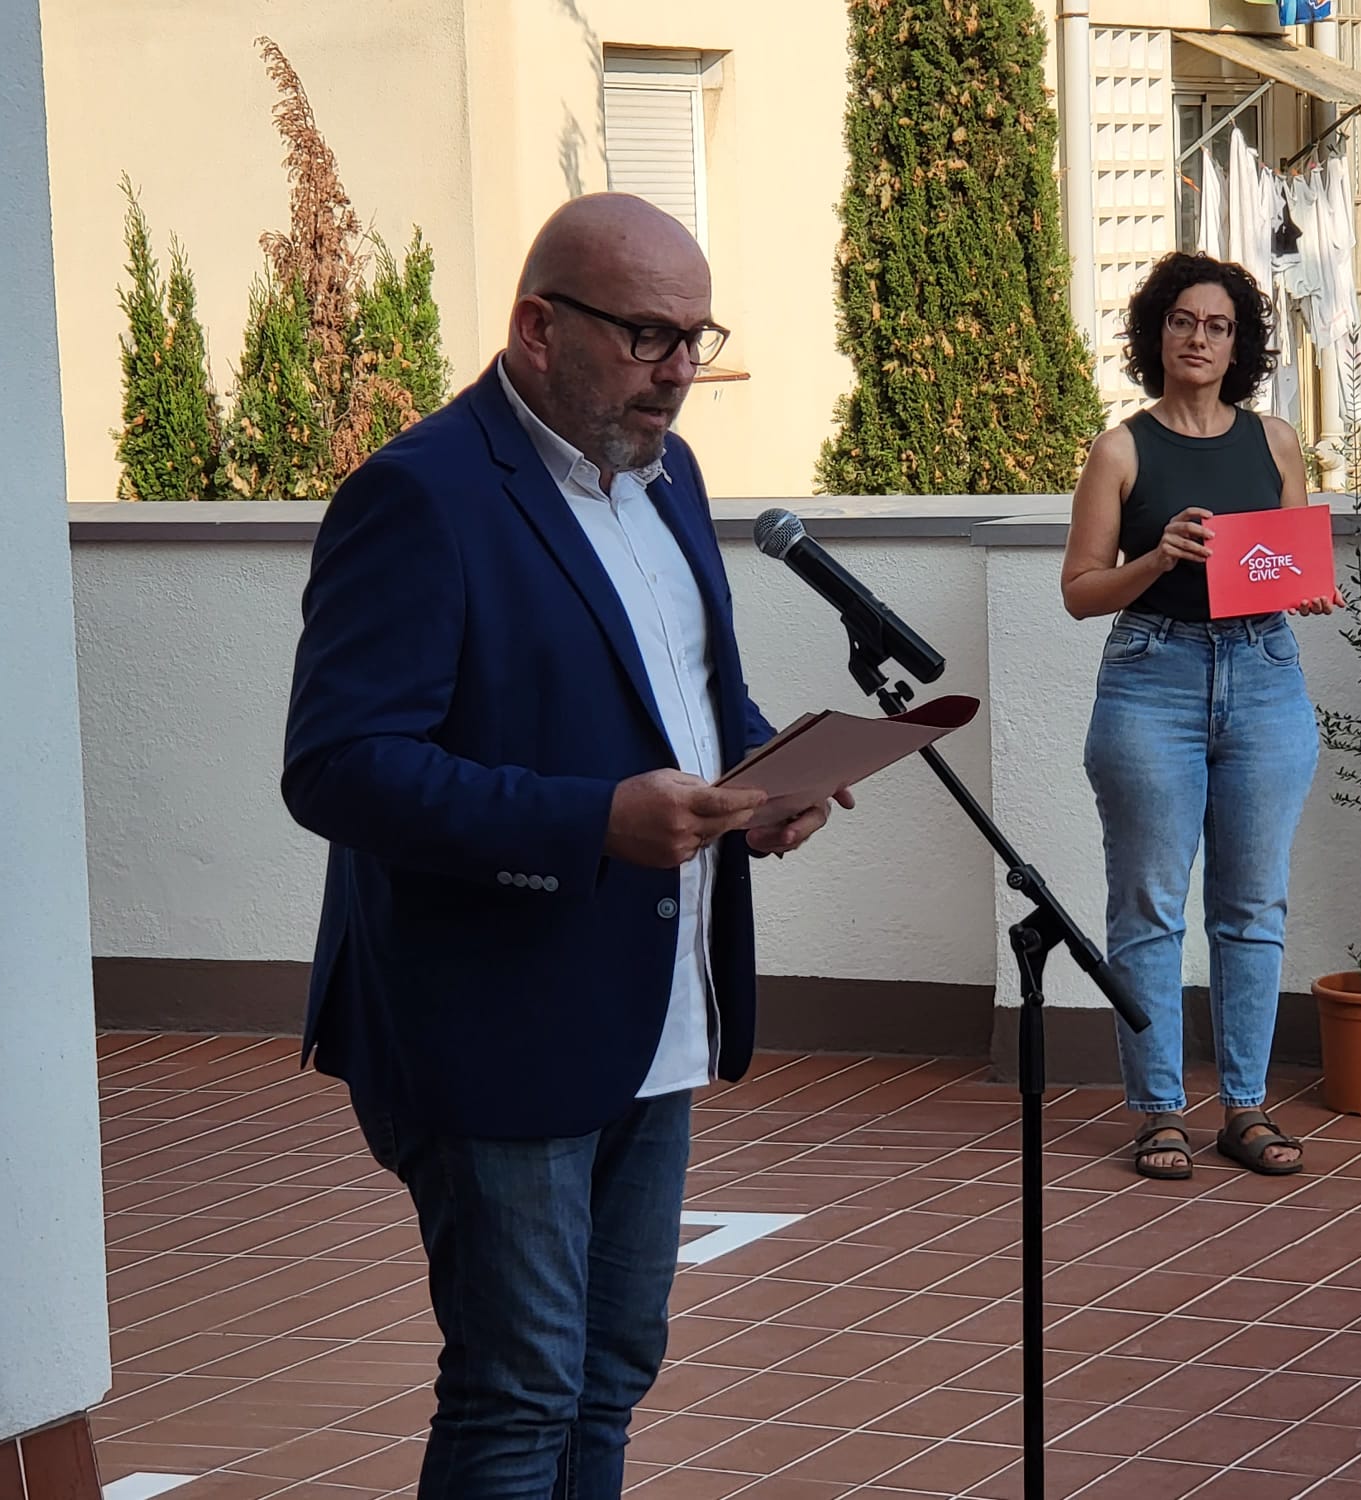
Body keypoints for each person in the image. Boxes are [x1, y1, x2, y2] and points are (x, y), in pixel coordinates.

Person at [280, 193, 849, 1498]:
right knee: (520, 1394)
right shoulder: (418, 497)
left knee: (608, 1379)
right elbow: (341, 768)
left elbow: (691, 694)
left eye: (697, 338)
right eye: (651, 335)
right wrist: (591, 821)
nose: (680, 372)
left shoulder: (672, 479)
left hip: (654, 1008)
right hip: (494, 1016)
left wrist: (763, 775)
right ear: (539, 326)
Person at [1061, 252, 1335, 1180]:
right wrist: (1160, 557)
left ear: (1239, 343)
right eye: (1183, 321)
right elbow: (1081, 592)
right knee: (1147, 906)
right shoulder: (1123, 449)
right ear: (1157, 332)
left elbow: (1287, 561)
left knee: (1252, 907)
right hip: (1152, 679)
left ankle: (1248, 1107)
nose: (1200, 339)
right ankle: (1158, 1110)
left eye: (1218, 326)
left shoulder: (1276, 441)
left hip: (1263, 672)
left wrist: (1305, 590)